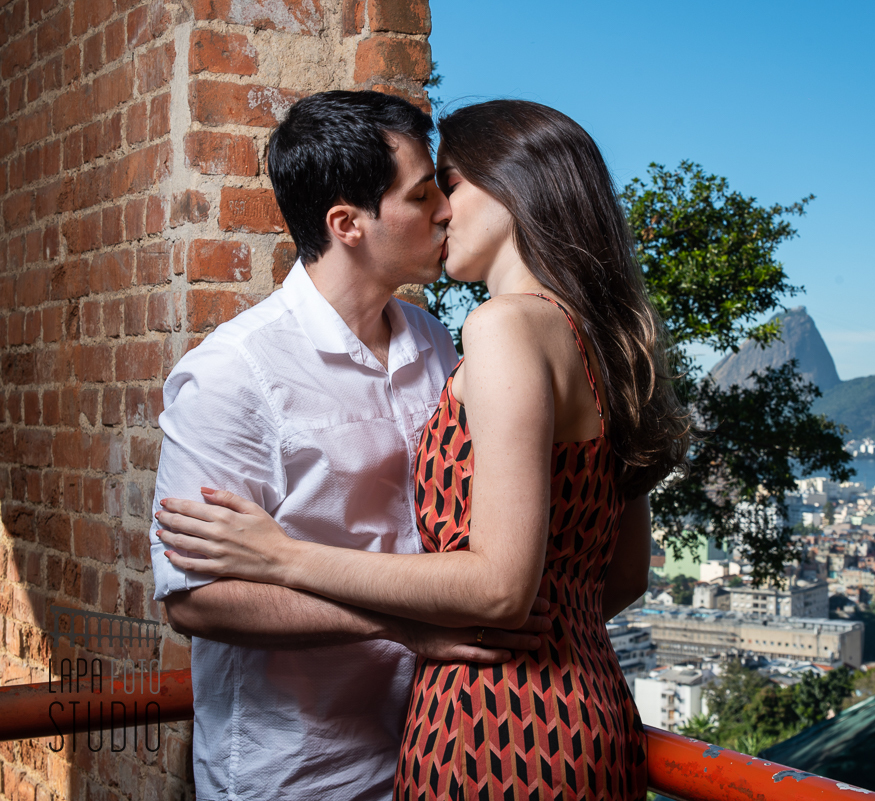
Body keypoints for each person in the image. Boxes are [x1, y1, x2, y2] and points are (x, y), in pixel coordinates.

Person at [155, 100, 691, 800]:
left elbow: (543, 578)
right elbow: (195, 601)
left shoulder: (449, 346)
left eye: (449, 185)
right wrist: (407, 625)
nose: (442, 210)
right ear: (347, 225)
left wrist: (298, 565)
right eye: (424, 192)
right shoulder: (232, 372)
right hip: (304, 769)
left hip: (467, 727)